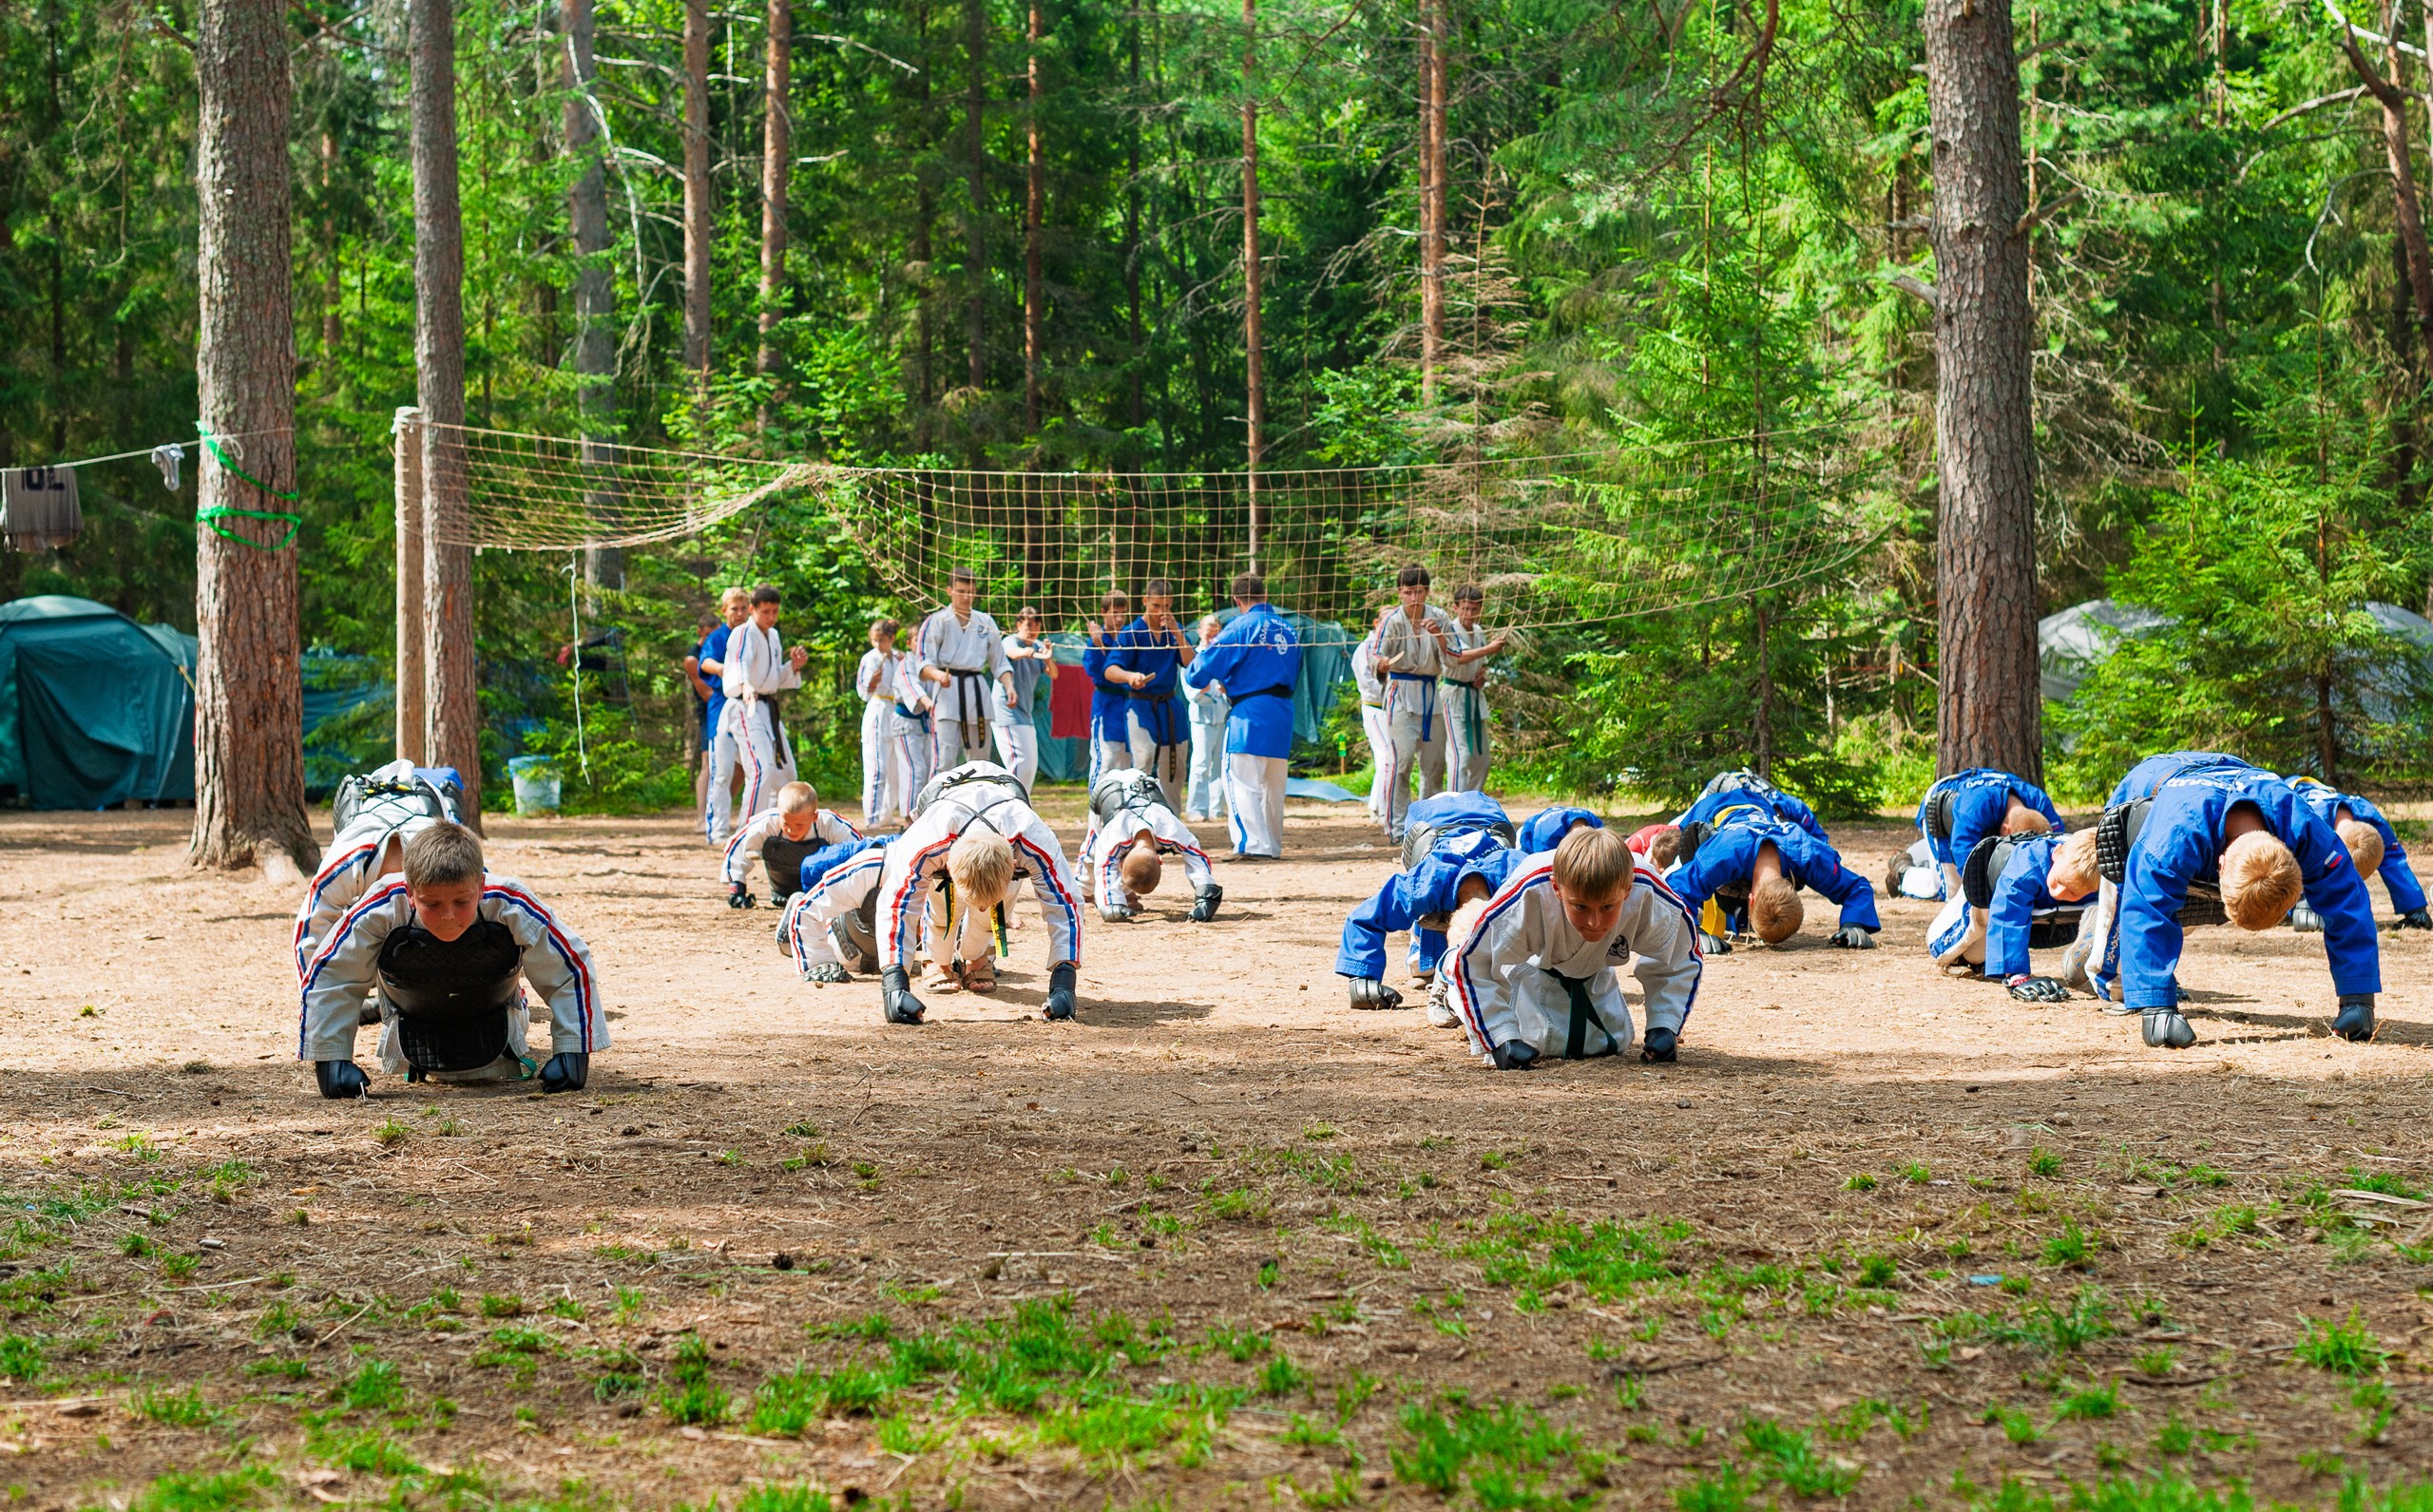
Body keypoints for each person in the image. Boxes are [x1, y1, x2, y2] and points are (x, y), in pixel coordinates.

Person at [2077, 756, 2377, 1048]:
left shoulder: (2302, 827)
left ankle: (2151, 963)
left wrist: (2357, 997)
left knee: (2183, 906)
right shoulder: (2171, 839)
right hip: (2151, 782)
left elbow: (2346, 895)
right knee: (2131, 886)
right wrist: (2155, 1005)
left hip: (2234, 775)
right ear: (2219, 864)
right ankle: (2106, 963)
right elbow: (2145, 907)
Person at [297, 822, 603, 1098]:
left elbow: (569, 965)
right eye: (431, 903)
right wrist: (331, 1057)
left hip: (498, 1018)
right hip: (408, 1024)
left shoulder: (510, 903)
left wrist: (573, 1049)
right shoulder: (382, 907)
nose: (448, 915)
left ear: (481, 886)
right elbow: (334, 971)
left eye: (462, 901)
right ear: (410, 892)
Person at [1447, 824, 1703, 1068]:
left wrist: (1664, 1023)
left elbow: (1679, 955)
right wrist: (1500, 1035)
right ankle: (1444, 977)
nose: (1594, 922)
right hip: (1526, 964)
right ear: (1557, 889)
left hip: (1595, 970)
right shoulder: (1530, 893)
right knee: (1532, 1037)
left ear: (1626, 891)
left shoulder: (1645, 889)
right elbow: (1474, 961)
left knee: (1605, 1043)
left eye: (1607, 907)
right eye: (1580, 906)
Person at [872, 760, 1085, 1023]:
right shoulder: (927, 839)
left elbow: (1065, 904)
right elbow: (897, 904)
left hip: (1005, 801)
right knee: (942, 912)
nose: (982, 906)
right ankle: (938, 960)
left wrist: (1064, 981)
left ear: (1013, 864)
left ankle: (977, 957)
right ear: (948, 865)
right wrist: (894, 983)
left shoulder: (1031, 836)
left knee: (993, 917)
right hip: (946, 798)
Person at [1339, 792, 1521, 1011]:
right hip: (1430, 818)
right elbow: (1364, 918)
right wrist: (1362, 977)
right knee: (1427, 966)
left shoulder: (1517, 876)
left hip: (1487, 814)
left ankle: (1451, 955)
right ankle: (1423, 952)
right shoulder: (1425, 882)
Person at [292, 759, 463, 980]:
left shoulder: (444, 859)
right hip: (371, 825)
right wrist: (317, 1002)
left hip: (426, 810)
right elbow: (311, 936)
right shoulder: (347, 864)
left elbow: (483, 900)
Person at [1182, 574, 1303, 860]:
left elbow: (1198, 671)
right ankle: (1271, 846)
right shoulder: (1290, 629)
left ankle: (1251, 845)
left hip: (1249, 712)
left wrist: (1221, 677)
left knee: (1241, 781)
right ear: (1265, 593)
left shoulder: (1241, 626)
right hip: (1283, 711)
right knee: (1273, 786)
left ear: (1237, 601)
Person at [1666, 808, 1880, 952]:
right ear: (1750, 900)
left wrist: (1855, 924)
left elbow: (1857, 887)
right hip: (1714, 804)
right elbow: (1674, 886)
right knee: (1664, 844)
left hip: (1762, 807)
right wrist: (1692, 932)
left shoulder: (1808, 856)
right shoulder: (1722, 855)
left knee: (1729, 911)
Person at [1928, 827, 2097, 994]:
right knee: (1948, 950)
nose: (2060, 892)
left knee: (1977, 956)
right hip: (1987, 900)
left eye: (2072, 892)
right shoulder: (2027, 866)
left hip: (2040, 912)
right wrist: (2017, 976)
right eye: (2059, 881)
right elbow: (2007, 915)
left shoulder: (2096, 879)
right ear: (2056, 853)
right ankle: (1963, 957)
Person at [714, 584, 809, 841]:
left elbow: (774, 677)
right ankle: (746, 835)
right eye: (765, 611)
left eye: (775, 611)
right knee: (760, 770)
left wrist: (794, 666)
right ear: (753, 610)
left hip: (767, 709)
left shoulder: (773, 636)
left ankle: (774, 829)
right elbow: (740, 663)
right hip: (745, 706)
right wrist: (745, 686)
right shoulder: (743, 633)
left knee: (786, 774)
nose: (771, 617)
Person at [1372, 567, 1461, 841]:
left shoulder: (1440, 617)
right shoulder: (1394, 620)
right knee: (1401, 764)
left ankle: (1428, 828)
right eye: (1408, 592)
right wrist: (1383, 664)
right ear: (1400, 592)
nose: (1414, 597)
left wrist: (1439, 637)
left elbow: (1455, 657)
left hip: (1431, 693)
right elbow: (1377, 657)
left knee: (1434, 766)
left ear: (1427, 592)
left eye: (1419, 591)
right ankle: (1397, 828)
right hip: (1401, 693)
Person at [2282, 776, 2431, 930]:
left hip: (2319, 791)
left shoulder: (2369, 816)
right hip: (2288, 788)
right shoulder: (2307, 822)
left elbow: (2394, 859)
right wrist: (2305, 900)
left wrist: (2415, 908)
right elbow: (2292, 856)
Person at [1891, 769, 2063, 901]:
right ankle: (1902, 873)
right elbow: (1966, 864)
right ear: (2006, 829)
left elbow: (2060, 846)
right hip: (1941, 808)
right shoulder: (1974, 810)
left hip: (1978, 806)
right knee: (1952, 893)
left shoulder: (2040, 803)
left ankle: (1920, 854)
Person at [1081, 766, 1222, 922]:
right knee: (1092, 847)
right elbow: (1103, 866)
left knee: (1109, 858)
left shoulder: (1170, 829)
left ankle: (1126, 893)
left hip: (1142, 782)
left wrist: (1207, 895)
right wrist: (1111, 905)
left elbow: (1107, 867)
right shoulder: (1114, 836)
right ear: (1159, 859)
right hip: (1106, 789)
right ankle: (1083, 889)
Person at [913, 568, 1017, 773]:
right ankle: (939, 804)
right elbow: (923, 663)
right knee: (944, 759)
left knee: (980, 762)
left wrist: (1009, 686)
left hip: (977, 693)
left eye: (970, 591)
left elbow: (999, 661)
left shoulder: (985, 622)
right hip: (947, 692)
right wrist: (938, 675)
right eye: (961, 591)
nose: (966, 596)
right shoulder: (937, 621)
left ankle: (978, 802)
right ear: (949, 591)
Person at [1109, 579, 1197, 809]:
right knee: (1143, 762)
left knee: (1175, 769)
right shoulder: (1131, 633)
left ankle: (1172, 825)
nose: (1161, 612)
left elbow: (1192, 664)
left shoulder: (1173, 633)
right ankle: (1141, 820)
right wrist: (1129, 677)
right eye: (1157, 606)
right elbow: (1110, 670)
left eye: (1166, 607)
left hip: (1170, 708)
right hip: (1140, 706)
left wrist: (1178, 634)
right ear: (1146, 601)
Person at [719, 781, 866, 909]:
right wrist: (737, 890)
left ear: (815, 817)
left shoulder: (831, 825)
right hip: (781, 892)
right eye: (786, 823)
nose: (791, 830)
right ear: (779, 814)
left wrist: (856, 894)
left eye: (800, 824)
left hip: (823, 892)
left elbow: (861, 852)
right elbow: (736, 847)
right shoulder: (767, 823)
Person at [778, 834, 897, 984]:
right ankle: (806, 916)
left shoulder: (933, 867)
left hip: (901, 946)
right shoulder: (880, 862)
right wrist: (819, 961)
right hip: (853, 934)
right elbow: (806, 906)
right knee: (853, 954)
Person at [1440, 585, 1507, 793]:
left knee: (1482, 760)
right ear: (1456, 607)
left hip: (1475, 697)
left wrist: (1481, 675)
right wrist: (1490, 649)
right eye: (1465, 608)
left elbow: (1482, 662)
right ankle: (1454, 807)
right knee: (1461, 755)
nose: (1469, 614)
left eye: (1474, 609)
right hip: (1453, 696)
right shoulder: (1449, 630)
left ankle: (1472, 803)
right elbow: (1459, 657)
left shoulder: (1478, 631)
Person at [696, 587, 752, 841]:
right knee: (721, 771)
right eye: (734, 609)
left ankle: (746, 826)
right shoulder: (719, 637)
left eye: (743, 608)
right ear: (724, 611)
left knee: (750, 770)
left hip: (751, 710)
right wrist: (726, 670)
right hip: (723, 710)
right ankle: (717, 829)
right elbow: (704, 663)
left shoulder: (754, 635)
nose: (739, 613)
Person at [994, 606, 1058, 792]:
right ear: (1018, 624)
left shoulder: (1039, 647)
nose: (1033, 628)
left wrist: (1047, 657)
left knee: (1029, 767)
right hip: (1006, 711)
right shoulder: (1010, 641)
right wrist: (1032, 652)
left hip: (1025, 713)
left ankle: (1020, 807)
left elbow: (1053, 674)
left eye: (1037, 624)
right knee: (1018, 766)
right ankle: (1007, 805)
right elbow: (1013, 653)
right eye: (1028, 624)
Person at [1674, 770, 1830, 844]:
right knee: (1679, 827)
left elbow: (1819, 837)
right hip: (1725, 786)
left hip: (1737, 791)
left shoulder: (1794, 810)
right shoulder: (1790, 807)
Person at [856, 619, 908, 826]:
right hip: (877, 710)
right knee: (877, 767)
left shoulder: (899, 658)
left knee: (895, 768)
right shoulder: (869, 659)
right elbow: (862, 691)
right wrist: (872, 683)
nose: (878, 645)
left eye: (883, 640)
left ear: (891, 639)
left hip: (895, 712)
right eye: (875, 640)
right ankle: (872, 816)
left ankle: (887, 813)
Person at [1082, 590, 1136, 785]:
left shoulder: (1131, 638)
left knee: (1128, 763)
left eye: (1123, 612)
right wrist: (1097, 645)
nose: (1120, 618)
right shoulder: (1096, 640)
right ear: (1103, 612)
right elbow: (1094, 672)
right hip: (1106, 706)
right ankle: (1096, 814)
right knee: (1106, 760)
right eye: (1115, 613)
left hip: (1130, 705)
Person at [1183, 615, 1231, 824]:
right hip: (1201, 718)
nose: (1213, 631)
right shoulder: (1192, 657)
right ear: (1200, 630)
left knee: (1219, 764)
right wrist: (1204, 688)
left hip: (1222, 715)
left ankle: (1216, 808)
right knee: (1201, 764)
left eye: (1217, 628)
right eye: (1210, 627)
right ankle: (1196, 808)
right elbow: (1191, 691)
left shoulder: (1223, 655)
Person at [1351, 612, 1390, 822]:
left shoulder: (1390, 645)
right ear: (1376, 623)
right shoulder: (1365, 649)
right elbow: (1368, 684)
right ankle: (1384, 811)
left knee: (1387, 759)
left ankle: (1375, 805)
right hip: (1375, 709)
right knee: (1386, 758)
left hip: (1390, 710)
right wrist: (1393, 689)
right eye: (1385, 620)